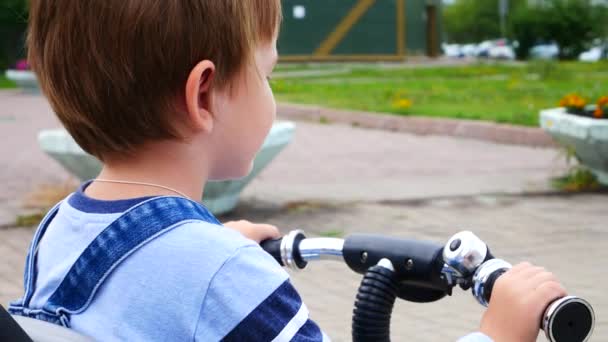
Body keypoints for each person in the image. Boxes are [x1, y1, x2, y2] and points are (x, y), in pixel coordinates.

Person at [9, 0, 566, 341]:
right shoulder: (225, 276)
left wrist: (204, 246)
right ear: (203, 94)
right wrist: (496, 334)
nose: (272, 91)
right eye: (268, 73)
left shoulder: (58, 228)